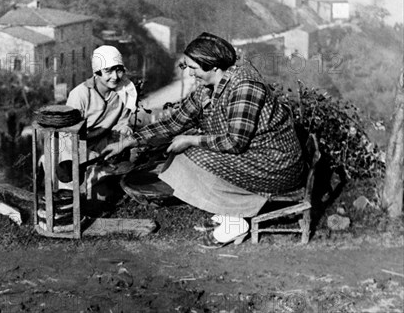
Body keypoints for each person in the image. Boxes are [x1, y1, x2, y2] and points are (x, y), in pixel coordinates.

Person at [103, 33, 304, 246]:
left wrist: (191, 140)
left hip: (278, 165)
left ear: (214, 66)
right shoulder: (207, 88)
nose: (189, 73)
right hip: (253, 157)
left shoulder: (245, 87)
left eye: (194, 68)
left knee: (191, 155)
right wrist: (127, 142)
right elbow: (174, 123)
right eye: (187, 67)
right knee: (181, 153)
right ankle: (230, 212)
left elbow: (235, 142)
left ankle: (235, 223)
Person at [55, 45, 137, 197]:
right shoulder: (80, 95)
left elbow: (123, 122)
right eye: (108, 71)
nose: (115, 76)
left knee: (106, 191)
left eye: (119, 70)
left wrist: (123, 132)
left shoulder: (125, 91)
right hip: (77, 145)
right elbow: (67, 136)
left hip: (104, 142)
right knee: (72, 190)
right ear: (97, 72)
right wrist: (87, 154)